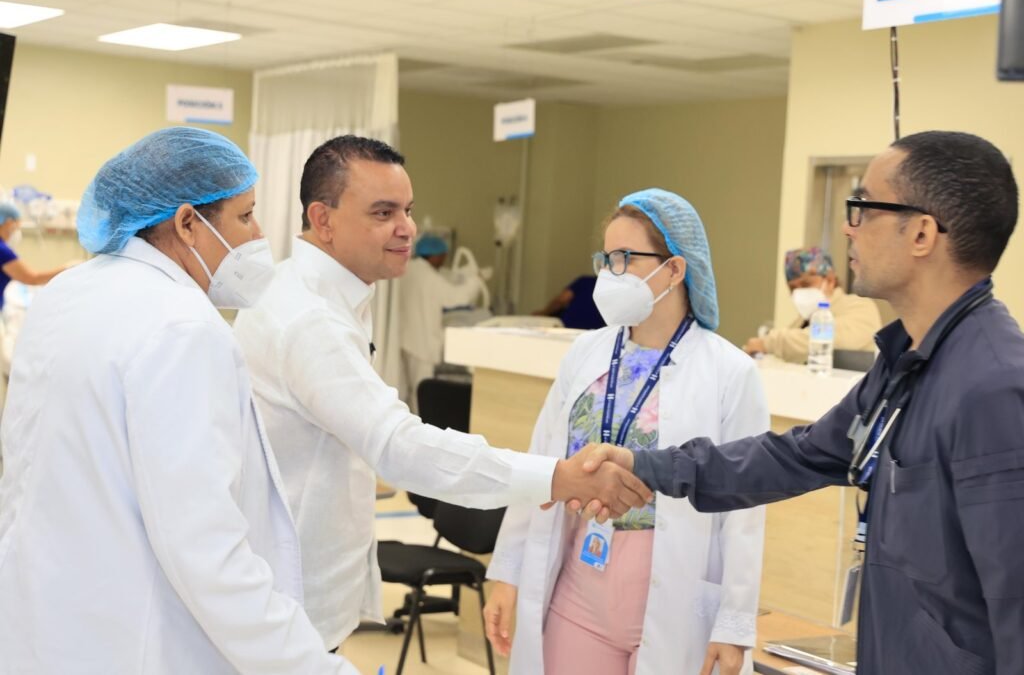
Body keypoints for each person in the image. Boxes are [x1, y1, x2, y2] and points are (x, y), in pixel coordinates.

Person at [589, 132, 1024, 674]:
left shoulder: (993, 388)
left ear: (921, 233)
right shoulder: (906, 364)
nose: (848, 227)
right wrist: (647, 465)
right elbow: (795, 456)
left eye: (863, 207)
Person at [232, 135, 652, 651]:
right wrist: (557, 477)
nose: (407, 228)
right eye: (383, 212)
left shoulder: (311, 293)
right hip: (291, 605)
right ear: (323, 219)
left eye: (407, 210)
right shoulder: (308, 319)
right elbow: (399, 446)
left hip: (295, 592)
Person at [0, 127, 358, 674]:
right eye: (246, 215)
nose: (260, 234)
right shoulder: (182, 326)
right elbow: (205, 547)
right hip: (135, 644)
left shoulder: (68, 293)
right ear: (189, 223)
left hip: (40, 624)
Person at [484, 190, 768, 675]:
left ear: (674, 270)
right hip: (580, 587)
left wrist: (734, 623)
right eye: (605, 259)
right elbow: (540, 464)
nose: (609, 274)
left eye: (624, 258)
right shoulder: (585, 354)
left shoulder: (730, 372)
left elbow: (744, 509)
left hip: (674, 596)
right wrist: (507, 571)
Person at [742, 247, 880, 362]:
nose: (799, 292)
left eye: (805, 284)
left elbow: (828, 338)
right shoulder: (801, 321)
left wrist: (768, 343)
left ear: (830, 281)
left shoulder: (860, 306)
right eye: (793, 288)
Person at [398, 232, 482, 410]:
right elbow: (457, 297)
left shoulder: (409, 269)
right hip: (421, 343)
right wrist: (475, 280)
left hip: (406, 340)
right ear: (435, 255)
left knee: (409, 389)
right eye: (443, 256)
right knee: (420, 391)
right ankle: (419, 422)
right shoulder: (428, 277)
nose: (444, 260)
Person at [0, 202, 77, 310]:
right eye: (16, 227)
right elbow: (32, 278)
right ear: (9, 223)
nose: (16, 232)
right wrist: (67, 268)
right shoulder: (3, 251)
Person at [533, 274, 606, 329]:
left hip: (567, 329)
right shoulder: (609, 290)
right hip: (593, 334)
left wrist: (544, 313)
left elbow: (561, 300)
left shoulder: (585, 282)